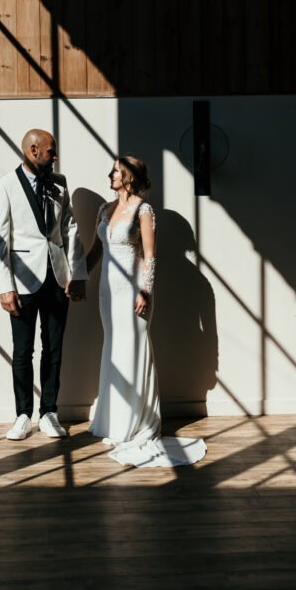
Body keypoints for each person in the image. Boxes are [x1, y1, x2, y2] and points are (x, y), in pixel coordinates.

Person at [85, 155, 207, 467]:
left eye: (115, 170)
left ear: (128, 177)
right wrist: (77, 276)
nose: (109, 174)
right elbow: (96, 251)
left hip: (133, 291)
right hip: (107, 290)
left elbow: (150, 256)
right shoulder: (105, 209)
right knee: (113, 349)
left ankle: (135, 423)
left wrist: (146, 290)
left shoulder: (143, 210)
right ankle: (114, 421)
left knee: (133, 350)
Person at [0, 128, 87, 440]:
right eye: (50, 151)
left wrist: (79, 274)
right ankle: (22, 414)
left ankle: (49, 412)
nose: (55, 157)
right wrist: (5, 286)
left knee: (54, 349)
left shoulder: (60, 183)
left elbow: (70, 228)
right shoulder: (3, 186)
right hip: (21, 281)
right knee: (22, 351)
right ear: (33, 151)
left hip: (58, 278)